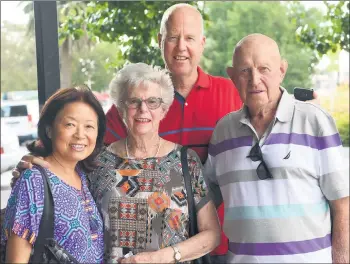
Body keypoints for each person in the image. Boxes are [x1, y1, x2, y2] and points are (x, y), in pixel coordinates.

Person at [103, 4, 242, 260]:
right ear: (160, 41)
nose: (181, 47)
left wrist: (301, 108)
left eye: (189, 38)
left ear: (202, 43)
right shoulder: (138, 100)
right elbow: (83, 144)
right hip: (144, 249)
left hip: (222, 242)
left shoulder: (231, 93)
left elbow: (265, 119)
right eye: (173, 37)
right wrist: (45, 159)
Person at [204, 33, 349, 263]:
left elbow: (342, 203)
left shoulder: (315, 122)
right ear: (232, 76)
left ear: (282, 70)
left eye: (264, 69)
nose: (254, 80)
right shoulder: (223, 132)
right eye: (245, 71)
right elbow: (205, 199)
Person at [90, 63, 220, 263]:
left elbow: (211, 234)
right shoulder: (98, 163)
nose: (143, 109)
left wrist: (163, 257)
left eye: (152, 102)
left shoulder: (185, 161)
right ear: (122, 108)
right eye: (134, 101)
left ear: (164, 110)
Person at [1, 86, 105, 263]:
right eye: (70, 124)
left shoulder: (84, 176)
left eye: (89, 126)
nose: (80, 134)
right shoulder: (33, 181)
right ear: (49, 130)